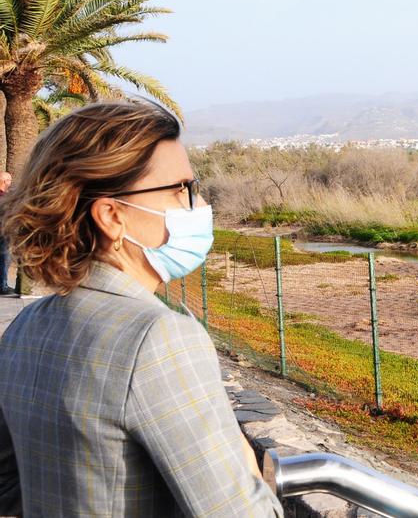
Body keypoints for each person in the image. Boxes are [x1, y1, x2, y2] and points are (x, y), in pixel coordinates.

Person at [0, 102, 283, 517]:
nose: (199, 204)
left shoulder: (26, 327)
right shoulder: (159, 337)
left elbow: (9, 488)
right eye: (181, 189)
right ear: (111, 216)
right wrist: (241, 458)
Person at [0, 172, 11, 296]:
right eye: (9, 181)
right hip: (3, 231)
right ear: (4, 182)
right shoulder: (3, 198)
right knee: (4, 258)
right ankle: (2, 286)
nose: (10, 183)